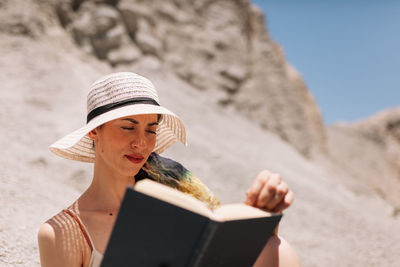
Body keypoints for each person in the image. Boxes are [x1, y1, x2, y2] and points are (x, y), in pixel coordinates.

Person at [38, 72, 300, 267]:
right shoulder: (64, 232)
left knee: (276, 247)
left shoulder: (174, 195)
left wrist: (262, 216)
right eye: (128, 127)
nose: (141, 143)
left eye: (151, 129)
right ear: (95, 131)